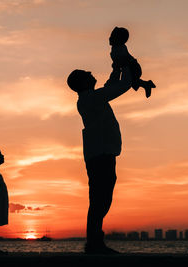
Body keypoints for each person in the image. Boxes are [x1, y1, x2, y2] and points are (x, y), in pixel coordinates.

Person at [67, 64, 132, 254]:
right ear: (83, 83)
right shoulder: (92, 99)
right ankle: (94, 243)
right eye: (87, 75)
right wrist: (126, 67)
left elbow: (110, 86)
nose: (91, 74)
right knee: (99, 200)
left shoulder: (91, 98)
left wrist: (117, 70)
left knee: (100, 199)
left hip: (101, 154)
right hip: (101, 155)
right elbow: (121, 86)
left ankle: (95, 242)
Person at [109, 26, 155, 98]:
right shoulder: (115, 48)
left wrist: (117, 66)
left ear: (120, 40)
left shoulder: (119, 48)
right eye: (111, 36)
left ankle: (147, 84)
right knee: (132, 82)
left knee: (129, 82)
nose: (110, 38)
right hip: (131, 67)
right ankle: (146, 84)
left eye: (113, 36)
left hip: (132, 67)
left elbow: (122, 60)